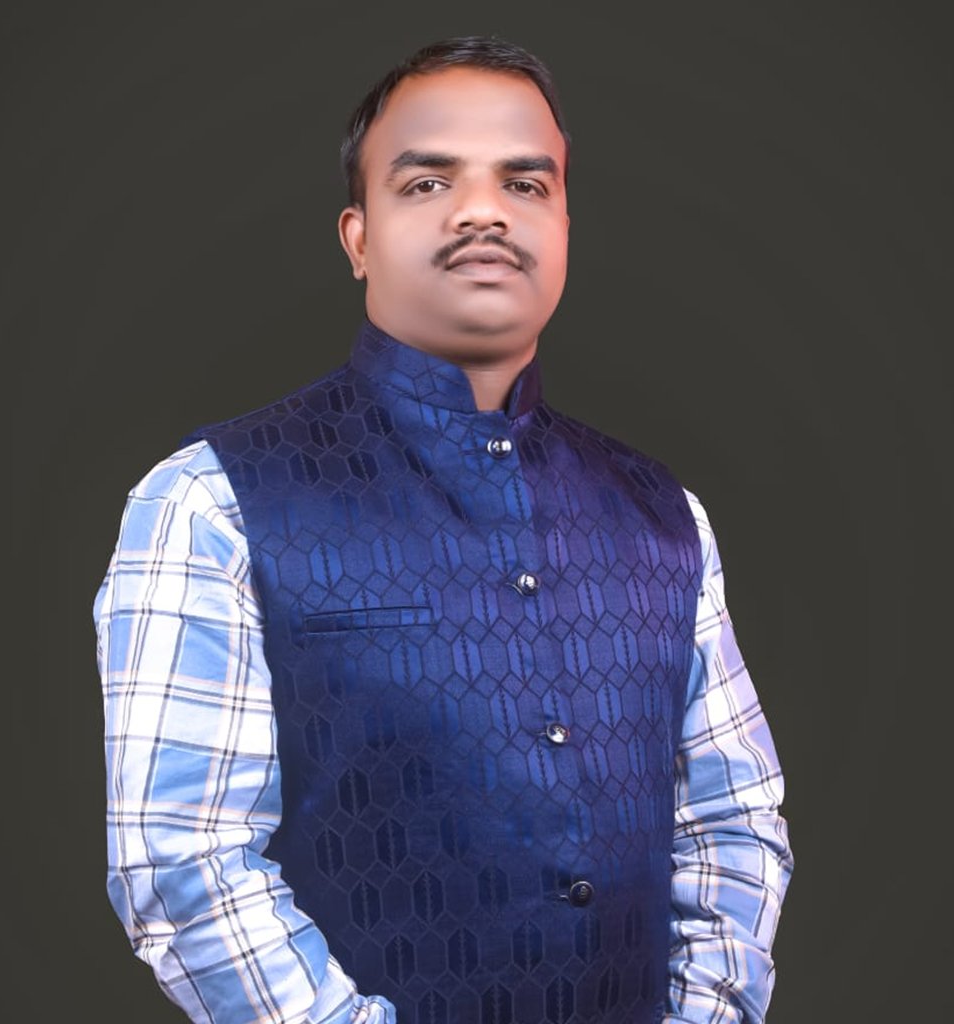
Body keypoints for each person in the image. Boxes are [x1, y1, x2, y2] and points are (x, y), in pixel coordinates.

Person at [95, 36, 792, 1024]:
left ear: (563, 225)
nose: (481, 211)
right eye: (427, 183)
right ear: (358, 238)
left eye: (525, 183)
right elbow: (181, 862)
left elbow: (732, 823)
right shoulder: (209, 503)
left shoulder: (664, 516)